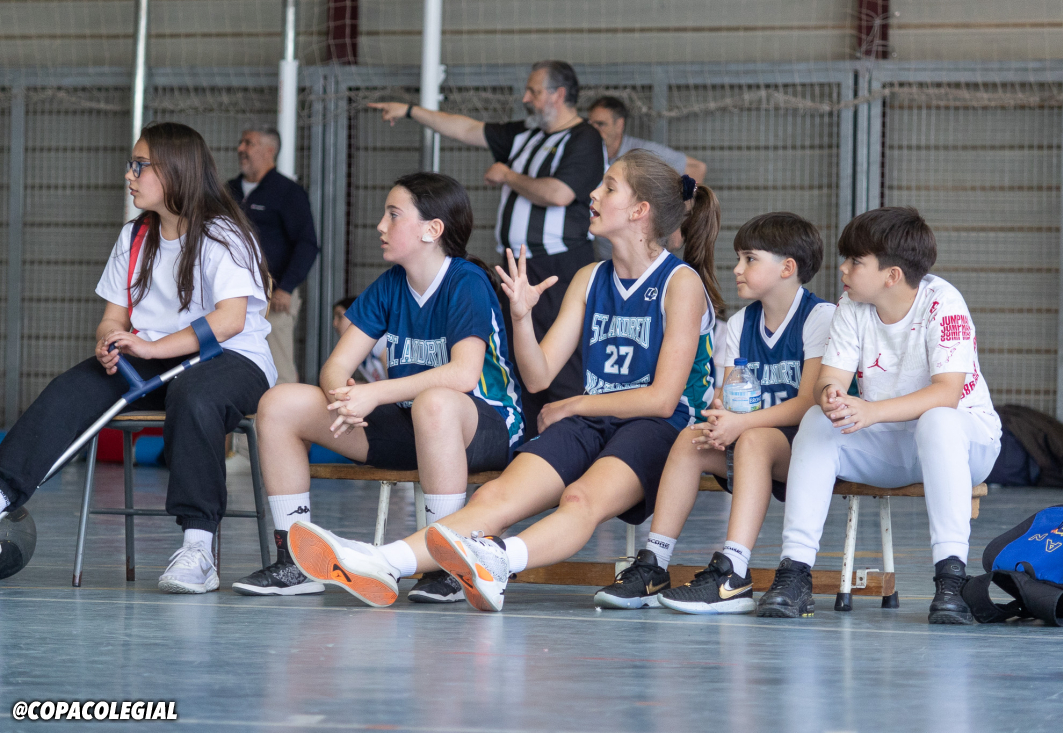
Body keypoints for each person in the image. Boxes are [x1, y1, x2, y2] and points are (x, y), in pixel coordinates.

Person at [285, 149, 722, 612]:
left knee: (580, 498)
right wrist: (521, 317)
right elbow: (538, 376)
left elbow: (662, 399)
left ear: (639, 211)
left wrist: (573, 405)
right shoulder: (589, 277)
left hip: (661, 427)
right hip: (594, 419)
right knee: (494, 496)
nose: (593, 194)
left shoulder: (680, 283)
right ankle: (382, 561)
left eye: (608, 187)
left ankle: (496, 560)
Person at [0, 122, 275, 594]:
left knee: (194, 396)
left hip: (232, 359)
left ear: (175, 170)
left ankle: (198, 548)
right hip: (157, 357)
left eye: (139, 165)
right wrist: (109, 340)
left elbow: (230, 320)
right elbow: (113, 317)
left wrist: (150, 348)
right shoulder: (135, 237)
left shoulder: (223, 233)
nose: (129, 174)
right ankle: (4, 491)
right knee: (74, 387)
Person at [233, 173, 523, 602]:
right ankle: (295, 561)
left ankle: (446, 566)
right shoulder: (390, 284)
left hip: (484, 425)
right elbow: (336, 366)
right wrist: (345, 397)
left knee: (435, 403)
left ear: (432, 229)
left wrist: (374, 393)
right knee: (280, 402)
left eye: (393, 215)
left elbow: (463, 375)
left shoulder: (466, 281)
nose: (380, 226)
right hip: (414, 423)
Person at [756, 207, 1002, 624]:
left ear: (891, 276)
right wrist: (830, 394)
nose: (843, 269)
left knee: (938, 420)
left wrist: (871, 411)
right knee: (817, 420)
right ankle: (794, 573)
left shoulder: (944, 303)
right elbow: (829, 378)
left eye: (855, 261)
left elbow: (946, 393)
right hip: (889, 443)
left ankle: (951, 579)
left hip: (963, 443)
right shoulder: (851, 305)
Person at [593, 212, 835, 613]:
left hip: (812, 448)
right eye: (738, 258)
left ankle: (733, 573)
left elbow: (809, 402)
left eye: (749, 259)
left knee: (753, 440)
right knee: (691, 439)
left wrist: (742, 423)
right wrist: (721, 413)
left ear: (787, 268)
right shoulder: (740, 322)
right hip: (757, 438)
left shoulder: (820, 316)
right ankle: (654, 565)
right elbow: (730, 393)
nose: (736, 269)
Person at [368, 61, 604, 432]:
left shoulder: (584, 137)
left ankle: (569, 439)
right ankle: (527, 440)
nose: (525, 98)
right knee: (519, 356)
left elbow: (559, 193)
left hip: (558, 265)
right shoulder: (525, 133)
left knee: (560, 361)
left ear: (558, 95)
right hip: (516, 265)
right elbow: (466, 128)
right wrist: (411, 111)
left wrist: (508, 175)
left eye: (534, 91)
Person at [228, 126, 319, 384]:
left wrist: (286, 288)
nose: (241, 149)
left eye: (249, 143)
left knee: (279, 367)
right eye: (241, 142)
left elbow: (307, 244)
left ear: (270, 150)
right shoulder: (229, 191)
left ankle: (287, 410)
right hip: (232, 295)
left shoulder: (288, 192)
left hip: (274, 296)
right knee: (233, 364)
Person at [588, 96, 708, 261]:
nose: (593, 130)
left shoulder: (640, 152)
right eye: (590, 125)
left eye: (601, 124)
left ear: (619, 125)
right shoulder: (585, 152)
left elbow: (696, 168)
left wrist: (678, 221)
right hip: (605, 254)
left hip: (643, 255)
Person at [333, 296, 386, 382]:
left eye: (340, 316)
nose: (334, 323)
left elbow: (396, 381)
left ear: (356, 316)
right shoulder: (355, 351)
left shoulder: (378, 339)